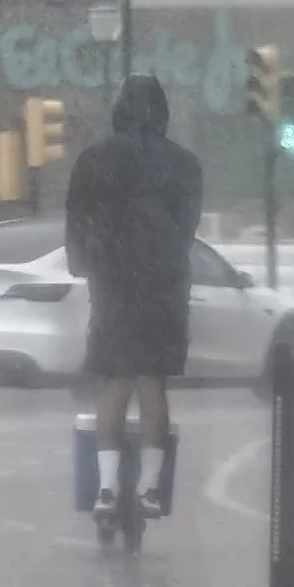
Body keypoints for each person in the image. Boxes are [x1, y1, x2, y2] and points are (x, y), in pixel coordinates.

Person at [66, 74, 203, 521]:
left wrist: (84, 260)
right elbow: (186, 228)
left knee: (114, 382)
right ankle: (149, 489)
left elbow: (77, 219)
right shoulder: (184, 164)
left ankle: (105, 488)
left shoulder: (93, 161)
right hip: (162, 288)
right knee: (152, 384)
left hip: (113, 285)